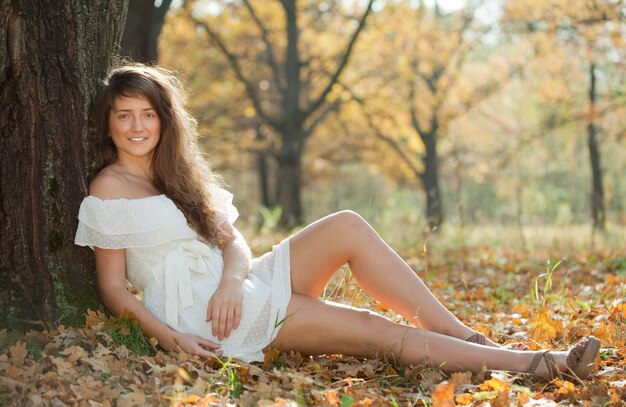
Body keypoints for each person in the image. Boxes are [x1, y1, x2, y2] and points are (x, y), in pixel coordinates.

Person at [75, 63, 600, 380]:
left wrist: (234, 280)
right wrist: (172, 339)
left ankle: (467, 338)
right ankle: (540, 363)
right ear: (109, 122)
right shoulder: (109, 189)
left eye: (147, 114)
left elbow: (231, 240)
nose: (137, 126)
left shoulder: (178, 177)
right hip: (208, 318)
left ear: (165, 122)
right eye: (124, 115)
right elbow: (115, 290)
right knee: (377, 332)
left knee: (346, 223)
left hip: (239, 286)